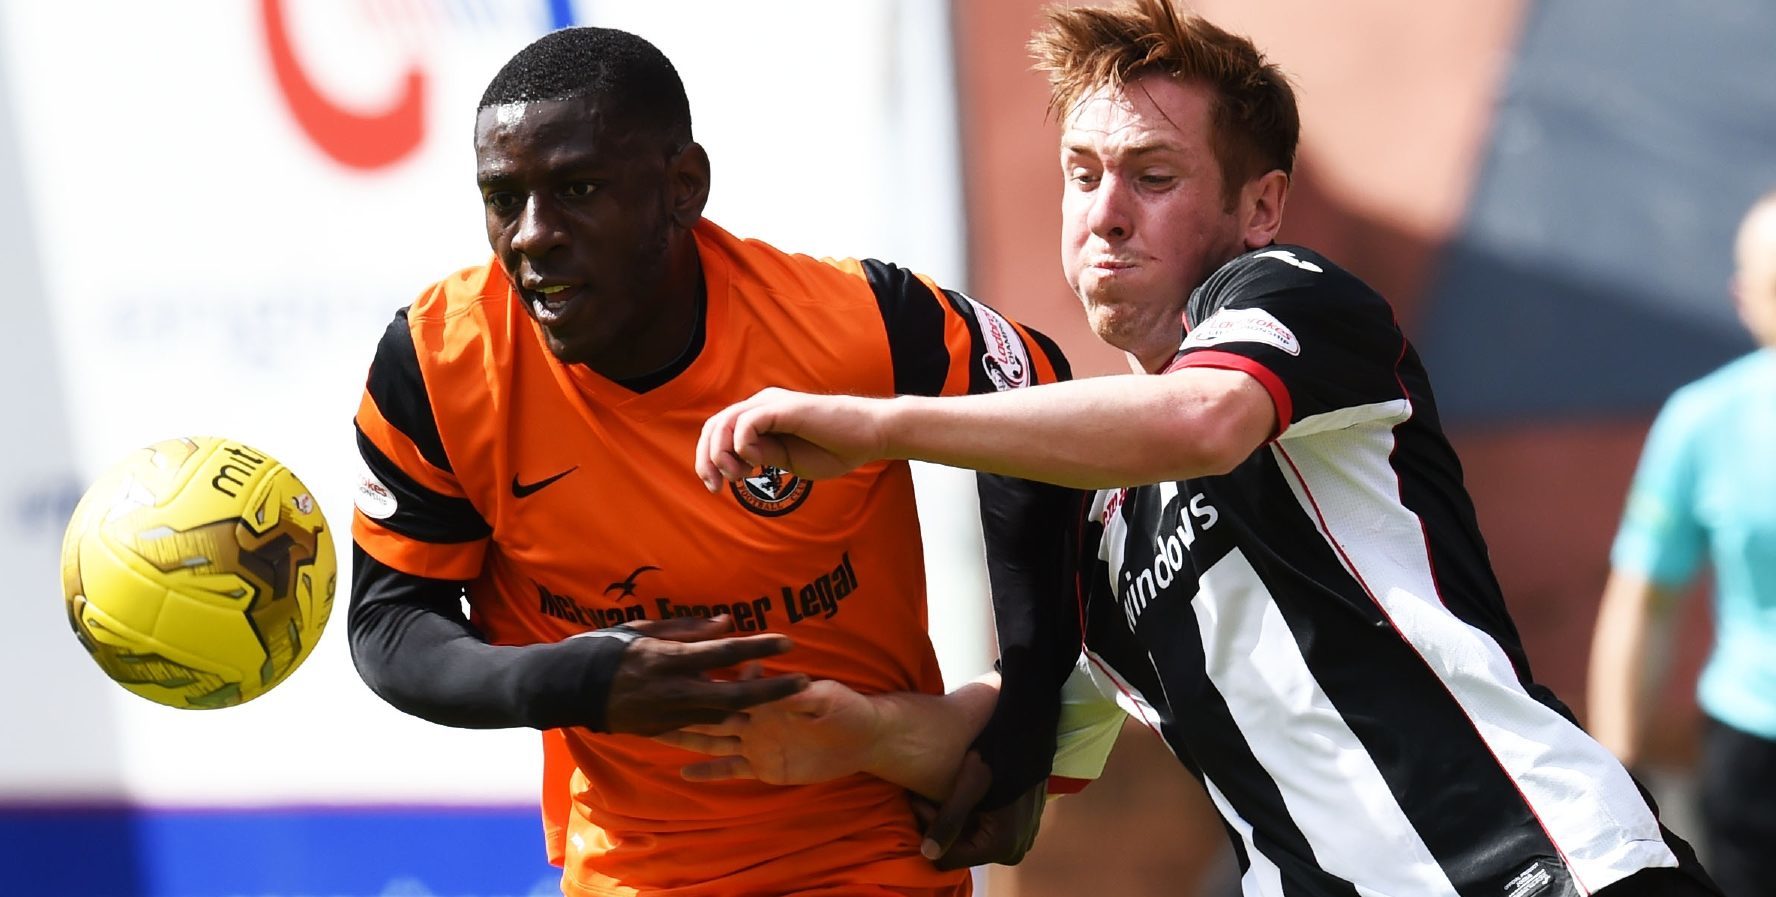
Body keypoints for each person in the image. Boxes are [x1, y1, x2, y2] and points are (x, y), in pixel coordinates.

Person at [682, 1, 1726, 894]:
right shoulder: (1096, 517)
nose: (1106, 214)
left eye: (1153, 176)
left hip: (1541, 871)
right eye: (1081, 173)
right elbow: (1038, 735)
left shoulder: (1290, 298)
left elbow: (1203, 422)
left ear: (1259, 205)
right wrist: (849, 737)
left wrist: (879, 424)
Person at [345, 25, 1076, 897]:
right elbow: (391, 627)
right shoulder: (438, 365)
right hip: (634, 869)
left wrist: (1025, 714)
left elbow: (1037, 393)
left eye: (577, 189)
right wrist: (579, 677)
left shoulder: (847, 321)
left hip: (875, 850)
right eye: (504, 198)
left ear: (683, 185)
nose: (532, 236)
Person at [1587, 189, 1776, 897]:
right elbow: (1642, 599)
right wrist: (1618, 767)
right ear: (1744, 298)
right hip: (1756, 756)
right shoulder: (1703, 422)